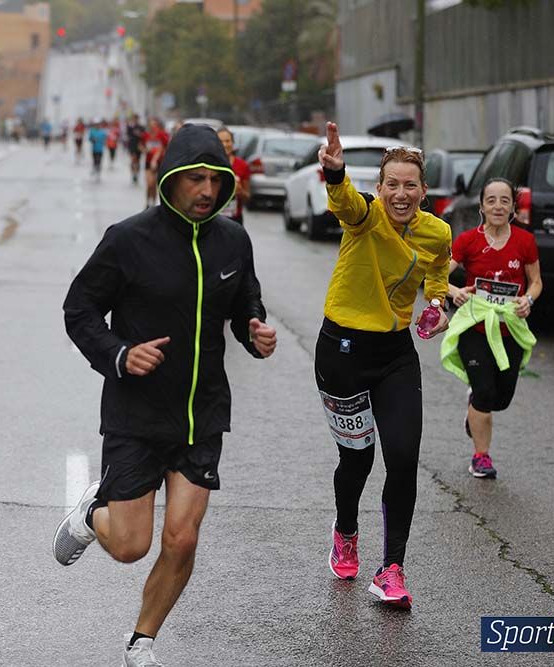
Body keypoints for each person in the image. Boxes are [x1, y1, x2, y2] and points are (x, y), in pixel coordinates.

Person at [55, 124, 277, 665]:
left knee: (182, 538)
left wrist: (255, 331)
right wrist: (119, 355)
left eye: (215, 179)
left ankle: (142, 641)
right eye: (194, 178)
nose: (206, 189)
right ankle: (92, 516)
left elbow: (246, 304)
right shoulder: (128, 239)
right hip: (137, 412)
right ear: (170, 180)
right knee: (131, 546)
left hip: (202, 416)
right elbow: (79, 310)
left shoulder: (233, 240)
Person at [314, 122, 451, 609]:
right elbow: (345, 202)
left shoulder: (437, 231)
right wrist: (336, 173)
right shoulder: (365, 217)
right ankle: (346, 531)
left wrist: (435, 304)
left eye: (409, 184)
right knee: (357, 460)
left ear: (422, 191)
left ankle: (392, 567)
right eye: (391, 183)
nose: (400, 192)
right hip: (342, 351)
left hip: (394, 355)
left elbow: (438, 269)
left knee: (403, 456)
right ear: (380, 188)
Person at [442, 177, 542, 479]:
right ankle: (481, 456)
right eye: (491, 200)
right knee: (485, 392)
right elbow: (435, 276)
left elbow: (536, 281)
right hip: (475, 326)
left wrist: (527, 299)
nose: (498, 206)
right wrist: (453, 291)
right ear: (482, 206)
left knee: (501, 398)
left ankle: (475, 405)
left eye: (504, 200)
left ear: (513, 206)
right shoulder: (467, 241)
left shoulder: (525, 241)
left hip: (510, 327)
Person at [216, 126, 251, 224]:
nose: (225, 144)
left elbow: (248, 197)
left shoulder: (242, 165)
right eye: (221, 141)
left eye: (227, 141)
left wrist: (240, 191)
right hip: (214, 219)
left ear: (233, 143)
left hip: (235, 220)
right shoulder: (210, 164)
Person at [141, 118, 170, 207]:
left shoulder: (162, 135)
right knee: (149, 184)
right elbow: (140, 145)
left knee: (155, 185)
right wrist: (145, 150)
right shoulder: (145, 135)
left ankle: (153, 203)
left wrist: (158, 155)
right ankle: (147, 202)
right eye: (151, 125)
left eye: (154, 125)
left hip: (159, 163)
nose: (152, 127)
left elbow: (166, 147)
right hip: (148, 162)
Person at [127, 114, 146, 185]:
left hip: (139, 146)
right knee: (133, 159)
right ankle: (133, 173)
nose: (135, 120)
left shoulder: (141, 127)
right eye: (134, 119)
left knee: (138, 161)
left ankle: (137, 173)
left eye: (136, 119)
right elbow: (128, 136)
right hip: (132, 145)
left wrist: (139, 135)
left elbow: (144, 136)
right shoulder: (130, 127)